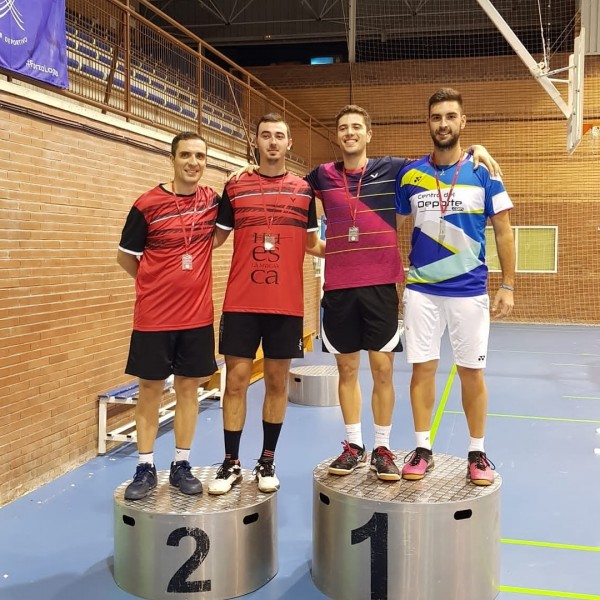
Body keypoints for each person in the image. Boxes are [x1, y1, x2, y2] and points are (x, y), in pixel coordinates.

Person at [305, 104, 501, 481]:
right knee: (346, 369)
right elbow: (286, 185)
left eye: (357, 127)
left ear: (369, 134)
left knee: (383, 370)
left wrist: (475, 149)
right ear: (337, 134)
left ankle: (382, 448)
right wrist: (248, 169)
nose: (350, 133)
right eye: (343, 127)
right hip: (339, 287)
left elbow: (442, 156)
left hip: (381, 284)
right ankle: (353, 445)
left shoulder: (394, 169)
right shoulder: (322, 175)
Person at [395, 88, 515, 486]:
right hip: (422, 291)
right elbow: (391, 227)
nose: (443, 124)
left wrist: (508, 284)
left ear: (463, 121)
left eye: (450, 116)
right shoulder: (410, 174)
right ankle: (422, 449)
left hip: (469, 290)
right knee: (422, 371)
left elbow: (504, 231)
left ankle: (477, 453)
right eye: (436, 117)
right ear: (427, 122)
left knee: (472, 373)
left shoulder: (484, 171)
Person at [207, 113, 324, 495]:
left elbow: (312, 244)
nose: (273, 142)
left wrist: (360, 250)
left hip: (286, 306)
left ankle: (267, 460)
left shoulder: (304, 191)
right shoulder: (236, 186)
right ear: (256, 141)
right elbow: (214, 238)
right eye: (266, 135)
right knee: (235, 382)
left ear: (289, 143)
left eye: (279, 136)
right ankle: (231, 463)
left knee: (276, 383)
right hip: (241, 303)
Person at [117, 131, 220, 500]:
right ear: (172, 159)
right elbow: (125, 257)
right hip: (154, 319)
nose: (194, 162)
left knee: (189, 390)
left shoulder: (212, 201)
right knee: (150, 390)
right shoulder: (147, 204)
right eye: (186, 155)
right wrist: (153, 283)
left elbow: (224, 231)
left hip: (197, 319)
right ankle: (145, 467)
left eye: (200, 156)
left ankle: (181, 464)